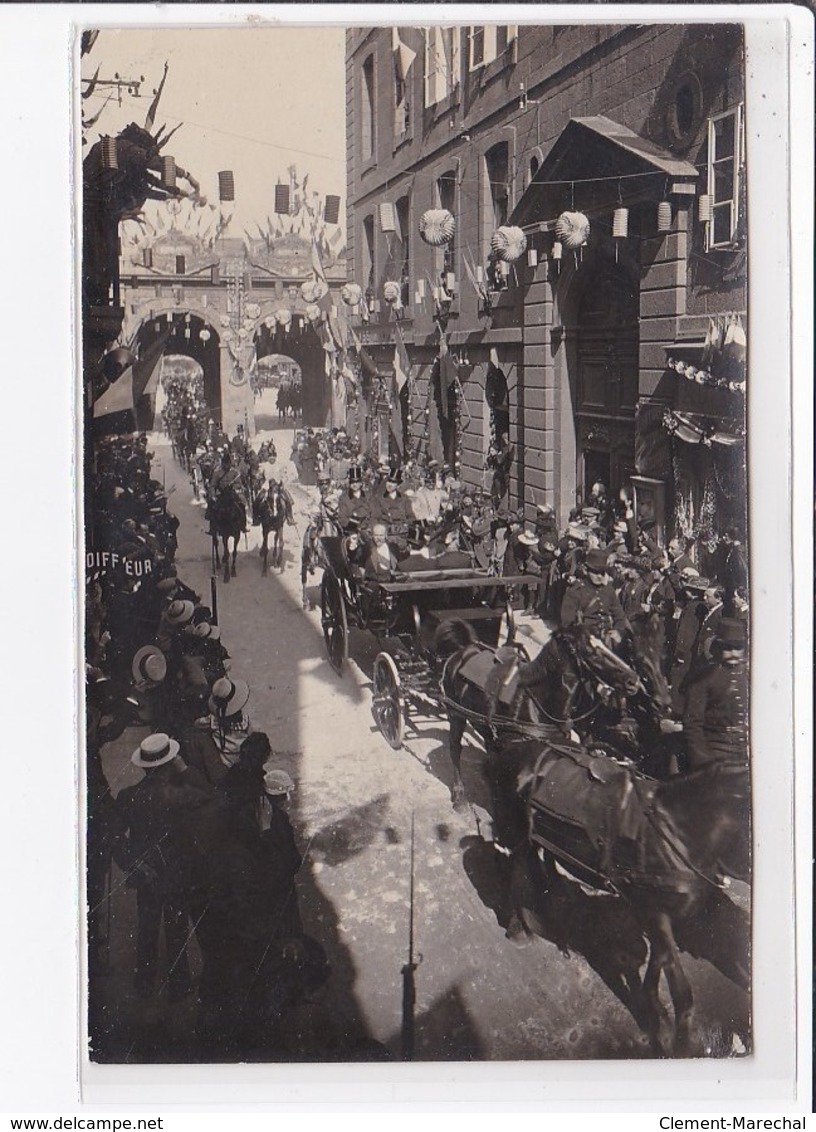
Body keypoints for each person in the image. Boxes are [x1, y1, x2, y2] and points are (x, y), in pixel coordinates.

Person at [116, 733, 214, 1000]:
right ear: (168, 763)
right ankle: (178, 983)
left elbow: (113, 836)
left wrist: (133, 864)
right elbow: (211, 797)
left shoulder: (128, 796)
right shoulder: (184, 796)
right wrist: (186, 770)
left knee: (147, 927)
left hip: (147, 875)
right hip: (178, 874)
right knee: (176, 929)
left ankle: (144, 982)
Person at [682, 618, 748, 769]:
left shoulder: (750, 676)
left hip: (747, 750)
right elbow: (693, 724)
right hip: (716, 751)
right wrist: (704, 760)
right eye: (727, 648)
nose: (733, 653)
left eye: (738, 648)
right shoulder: (704, 677)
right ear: (718, 648)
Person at [183, 676, 253, 785]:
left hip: (225, 762)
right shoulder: (245, 720)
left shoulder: (213, 722)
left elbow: (197, 724)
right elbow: (250, 736)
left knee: (195, 736)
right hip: (239, 759)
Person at [560, 547, 630, 649]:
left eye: (602, 572)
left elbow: (619, 616)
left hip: (608, 640)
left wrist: (617, 631)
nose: (599, 576)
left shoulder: (608, 590)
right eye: (595, 572)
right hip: (585, 642)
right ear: (586, 570)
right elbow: (567, 623)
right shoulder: (575, 592)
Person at [336, 465, 372, 532]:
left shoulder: (368, 496)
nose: (354, 484)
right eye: (352, 482)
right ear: (349, 484)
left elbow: (374, 514)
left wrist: (369, 526)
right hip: (351, 531)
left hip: (368, 530)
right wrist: (356, 525)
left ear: (361, 483)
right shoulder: (344, 498)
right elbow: (342, 518)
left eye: (357, 481)